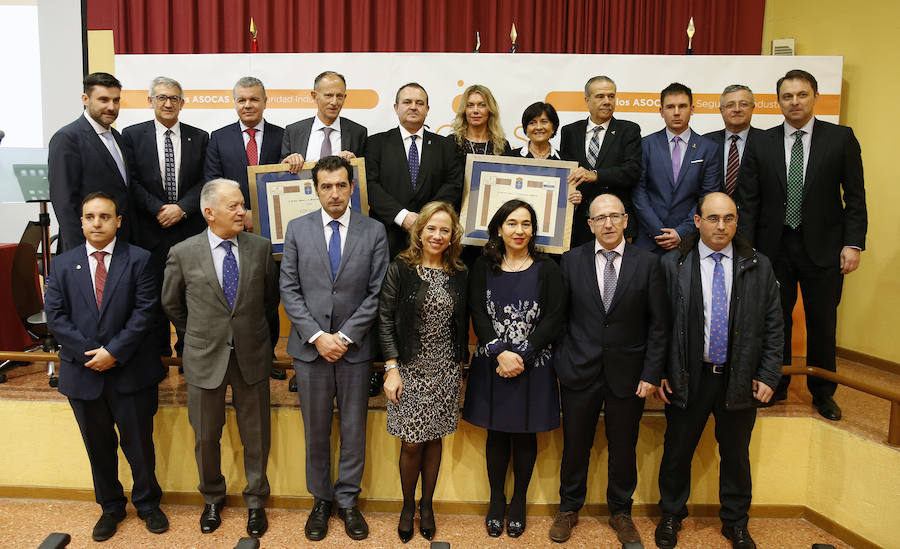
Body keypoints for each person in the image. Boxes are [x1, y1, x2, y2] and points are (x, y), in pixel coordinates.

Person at [654, 192, 783, 549]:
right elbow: (660, 325)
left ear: (736, 222)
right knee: (677, 450)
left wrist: (770, 374)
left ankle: (735, 522)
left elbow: (773, 325)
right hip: (687, 376)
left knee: (737, 456)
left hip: (738, 377)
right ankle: (671, 515)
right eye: (713, 218)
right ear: (697, 221)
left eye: (728, 218)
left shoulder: (758, 265)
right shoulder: (673, 264)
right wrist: (662, 371)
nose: (721, 226)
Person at [736, 69, 867, 420]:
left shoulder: (840, 139)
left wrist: (853, 244)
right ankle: (774, 383)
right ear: (778, 101)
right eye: (787, 96)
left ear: (815, 97)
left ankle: (823, 392)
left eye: (801, 95)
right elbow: (748, 202)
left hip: (825, 248)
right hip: (772, 249)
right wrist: (747, 250)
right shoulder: (760, 141)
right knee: (773, 319)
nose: (794, 102)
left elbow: (855, 197)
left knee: (822, 320)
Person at [44, 192, 168, 542]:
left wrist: (113, 351)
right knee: (98, 446)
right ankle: (111, 507)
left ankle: (147, 503)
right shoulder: (64, 264)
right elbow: (56, 316)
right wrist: (92, 353)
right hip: (83, 373)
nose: (97, 222)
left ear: (118, 221)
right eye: (90, 217)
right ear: (81, 222)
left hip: (130, 370)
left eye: (104, 216)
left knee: (139, 443)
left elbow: (145, 312)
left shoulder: (140, 260)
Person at [161, 179, 279, 539]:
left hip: (251, 355)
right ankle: (212, 497)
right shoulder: (183, 252)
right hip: (204, 357)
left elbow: (269, 300)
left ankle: (256, 500)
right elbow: (172, 303)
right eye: (234, 206)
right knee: (206, 436)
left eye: (242, 204)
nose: (242, 211)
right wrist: (199, 332)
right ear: (209, 212)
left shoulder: (259, 249)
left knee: (256, 434)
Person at [279, 156, 389, 542]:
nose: (335, 193)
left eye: (341, 185)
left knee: (355, 430)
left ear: (352, 187)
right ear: (315, 189)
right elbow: (289, 290)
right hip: (310, 351)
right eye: (326, 186)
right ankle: (321, 501)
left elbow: (377, 293)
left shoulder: (374, 231)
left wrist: (342, 338)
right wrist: (317, 336)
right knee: (317, 431)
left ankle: (347, 501)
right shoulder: (297, 229)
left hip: (354, 351)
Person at [549, 194, 667, 545]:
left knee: (623, 446)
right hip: (578, 371)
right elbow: (559, 319)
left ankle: (621, 512)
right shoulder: (570, 261)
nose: (608, 224)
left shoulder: (648, 264)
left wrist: (650, 373)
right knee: (575, 445)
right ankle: (569, 508)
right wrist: (562, 361)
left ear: (627, 220)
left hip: (629, 375)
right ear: (589, 225)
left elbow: (658, 325)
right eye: (600, 218)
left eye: (615, 216)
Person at [463, 199, 565, 539]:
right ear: (498, 229)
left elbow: (554, 316)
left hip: (533, 365)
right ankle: (497, 500)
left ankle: (518, 501)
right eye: (511, 223)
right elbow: (477, 310)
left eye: (525, 224)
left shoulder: (548, 268)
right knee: (497, 433)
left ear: (533, 230)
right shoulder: (483, 267)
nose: (519, 230)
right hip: (492, 363)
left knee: (525, 434)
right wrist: (499, 352)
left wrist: (521, 353)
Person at [379, 201, 469, 543]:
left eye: (444, 229)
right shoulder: (401, 268)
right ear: (420, 231)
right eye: (431, 228)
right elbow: (385, 319)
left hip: (445, 370)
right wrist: (392, 368)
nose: (437, 235)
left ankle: (427, 506)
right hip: (409, 371)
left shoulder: (459, 272)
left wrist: (461, 368)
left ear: (452, 235)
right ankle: (406, 507)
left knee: (434, 440)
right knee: (412, 443)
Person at [204, 76, 286, 380]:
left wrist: (261, 217)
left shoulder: (282, 136)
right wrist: (242, 215)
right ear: (234, 102)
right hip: (231, 234)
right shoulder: (219, 137)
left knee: (269, 298)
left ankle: (267, 359)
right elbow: (212, 183)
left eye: (254, 99)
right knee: (234, 298)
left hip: (271, 237)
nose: (248, 105)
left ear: (265, 101)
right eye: (242, 99)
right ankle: (231, 358)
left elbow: (286, 183)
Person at [122, 76, 209, 356]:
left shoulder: (199, 136)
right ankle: (159, 355)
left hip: (188, 230)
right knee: (154, 297)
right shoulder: (132, 136)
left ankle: (189, 353)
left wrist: (182, 207)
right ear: (151, 101)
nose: (168, 103)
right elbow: (129, 181)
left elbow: (206, 180)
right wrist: (157, 208)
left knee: (191, 297)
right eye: (161, 97)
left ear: (182, 103)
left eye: (174, 98)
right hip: (149, 231)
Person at [366, 83, 464, 257]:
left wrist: (426, 219)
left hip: (433, 240)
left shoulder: (446, 146)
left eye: (419, 103)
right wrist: (402, 216)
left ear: (427, 109)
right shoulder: (375, 144)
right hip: (387, 238)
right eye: (407, 102)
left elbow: (453, 185)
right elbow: (370, 186)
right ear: (396, 108)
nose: (413, 107)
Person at [632, 82, 721, 254]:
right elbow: (638, 193)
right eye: (670, 107)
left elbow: (707, 196)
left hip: (689, 241)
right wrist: (659, 231)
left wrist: (681, 232)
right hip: (649, 241)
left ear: (692, 109)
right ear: (661, 111)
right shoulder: (645, 145)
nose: (677, 112)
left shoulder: (708, 148)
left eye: (682, 106)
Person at [49, 72, 133, 252]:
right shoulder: (67, 138)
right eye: (103, 100)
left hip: (120, 246)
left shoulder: (117, 137)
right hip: (87, 249)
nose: (111, 107)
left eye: (116, 100)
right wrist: (81, 253)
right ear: (85, 99)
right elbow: (64, 202)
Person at [560, 76, 642, 246]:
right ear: (587, 100)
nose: (607, 101)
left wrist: (595, 175)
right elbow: (566, 174)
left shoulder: (629, 130)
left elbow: (632, 171)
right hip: (578, 225)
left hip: (615, 223)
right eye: (600, 96)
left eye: (611, 96)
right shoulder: (569, 132)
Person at [281, 70, 367, 172]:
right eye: (328, 95)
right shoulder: (293, 131)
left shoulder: (358, 133)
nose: (334, 102)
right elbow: (279, 174)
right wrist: (286, 164)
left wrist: (355, 165)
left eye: (339, 96)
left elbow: (364, 177)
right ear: (314, 96)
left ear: (344, 98)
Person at [703, 85, 762, 197]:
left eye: (743, 104)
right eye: (730, 105)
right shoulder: (706, 142)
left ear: (753, 108)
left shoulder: (766, 141)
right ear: (721, 110)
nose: (737, 109)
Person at [449, 84, 512, 169]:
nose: (475, 110)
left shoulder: (502, 145)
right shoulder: (452, 142)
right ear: (464, 110)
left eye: (482, 105)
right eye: (470, 105)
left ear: (490, 109)